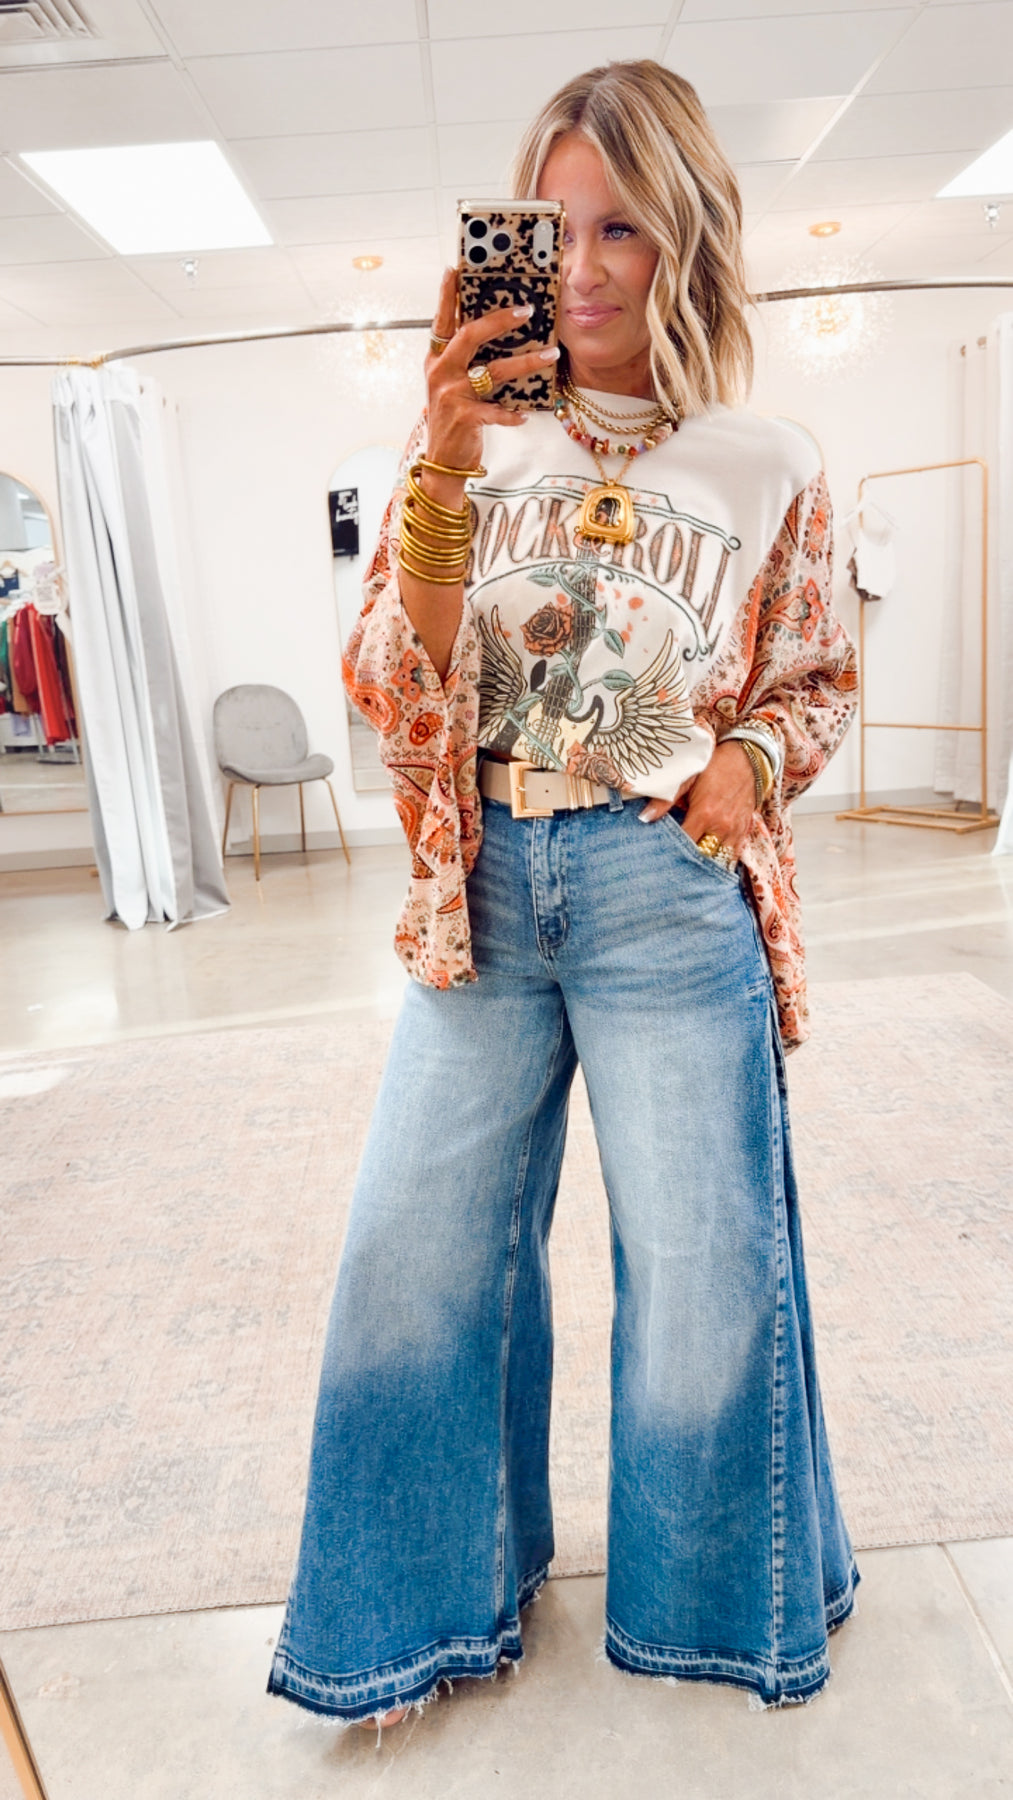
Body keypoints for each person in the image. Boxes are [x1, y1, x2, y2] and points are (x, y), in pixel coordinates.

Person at [268, 58, 860, 1729]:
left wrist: (745, 766)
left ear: (688, 238)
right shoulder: (471, 436)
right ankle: (413, 1615)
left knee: (702, 1270)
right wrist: (444, 471)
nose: (584, 269)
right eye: (554, 227)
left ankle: (715, 1615)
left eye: (623, 228)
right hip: (481, 885)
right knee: (414, 1252)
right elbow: (391, 679)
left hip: (663, 888)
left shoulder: (765, 459)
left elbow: (814, 674)